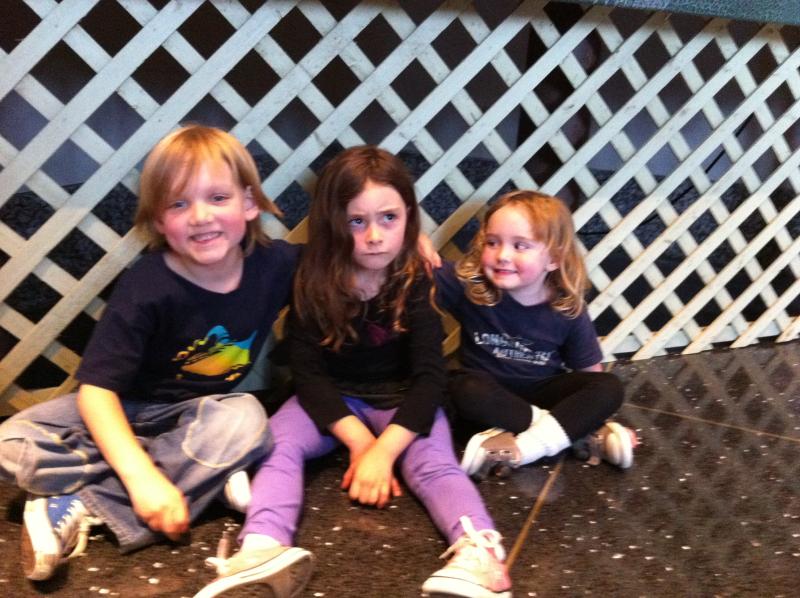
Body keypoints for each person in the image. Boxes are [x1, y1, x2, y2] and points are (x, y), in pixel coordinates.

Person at [196, 146, 512, 598]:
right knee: (277, 444)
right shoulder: (313, 277)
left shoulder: (413, 277)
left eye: (389, 218)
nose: (375, 236)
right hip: (331, 397)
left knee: (434, 464)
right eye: (356, 221)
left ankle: (480, 555)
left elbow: (429, 377)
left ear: (409, 218)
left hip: (404, 398)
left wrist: (384, 452)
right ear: (332, 222)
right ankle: (261, 548)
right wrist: (362, 444)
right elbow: (309, 375)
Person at [0, 124, 300, 581]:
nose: (200, 216)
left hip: (201, 415)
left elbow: (340, 256)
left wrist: (409, 243)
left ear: (249, 203)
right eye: (178, 204)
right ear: (159, 221)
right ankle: (202, 478)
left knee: (247, 419)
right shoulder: (147, 284)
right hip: (124, 409)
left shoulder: (275, 264)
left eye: (218, 197)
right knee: (9, 445)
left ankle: (80, 503)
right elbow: (96, 394)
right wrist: (141, 476)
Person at [435, 190, 637, 479]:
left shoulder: (567, 308)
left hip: (542, 392)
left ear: (553, 258)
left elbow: (590, 372)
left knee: (609, 386)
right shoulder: (470, 286)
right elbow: (418, 268)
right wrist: (418, 242)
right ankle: (574, 434)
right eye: (492, 242)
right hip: (487, 396)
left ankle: (521, 448)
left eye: (520, 246)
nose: (503, 255)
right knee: (462, 388)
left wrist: (598, 411)